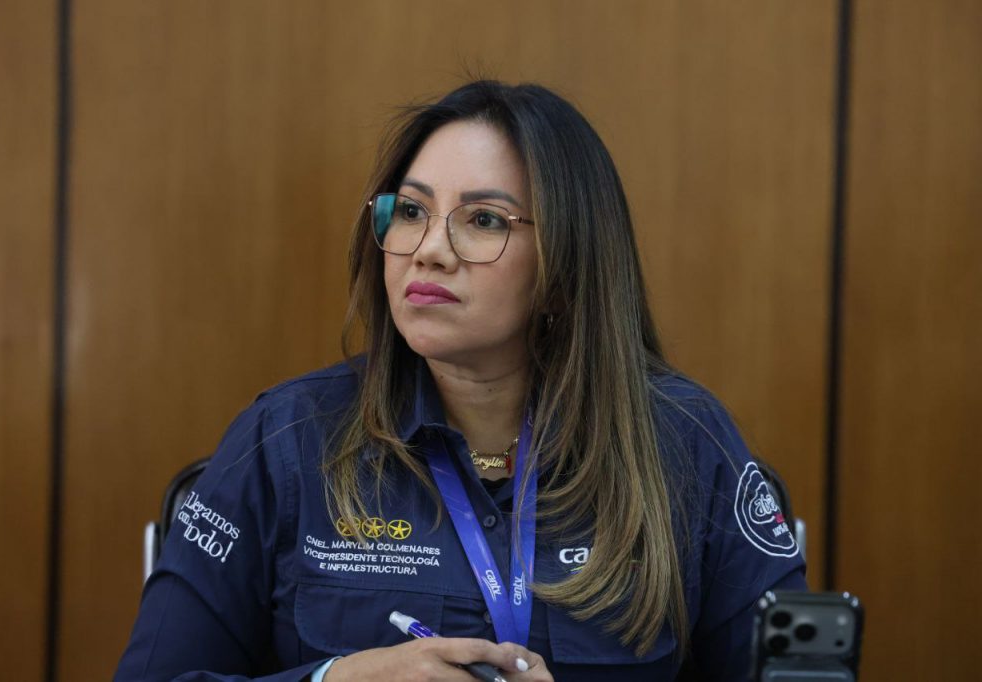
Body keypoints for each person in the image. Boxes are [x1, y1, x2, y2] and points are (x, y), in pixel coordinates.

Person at [115, 80, 806, 682]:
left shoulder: (683, 443)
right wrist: (334, 678)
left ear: (565, 268)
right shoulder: (285, 440)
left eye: (483, 220)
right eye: (411, 211)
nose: (429, 250)